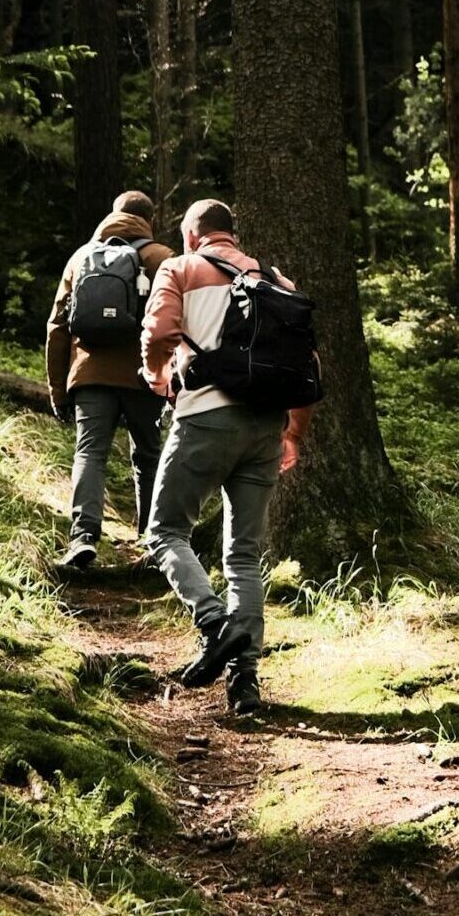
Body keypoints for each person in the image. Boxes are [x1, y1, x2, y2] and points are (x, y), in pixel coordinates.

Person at [139, 199, 313, 715]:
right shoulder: (274, 280)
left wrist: (158, 377)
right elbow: (305, 360)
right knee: (243, 555)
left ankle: (215, 624)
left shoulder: (180, 267)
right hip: (265, 426)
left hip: (204, 419)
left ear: (193, 235)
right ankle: (246, 686)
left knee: (165, 531)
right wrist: (293, 433)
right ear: (232, 236)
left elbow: (158, 332)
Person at [46, 190, 174, 569]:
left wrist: (58, 388)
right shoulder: (162, 258)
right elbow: (176, 321)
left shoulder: (81, 257)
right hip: (145, 377)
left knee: (90, 452)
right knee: (149, 456)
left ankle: (83, 537)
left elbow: (57, 327)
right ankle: (153, 540)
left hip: (90, 375)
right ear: (149, 219)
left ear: (113, 214)